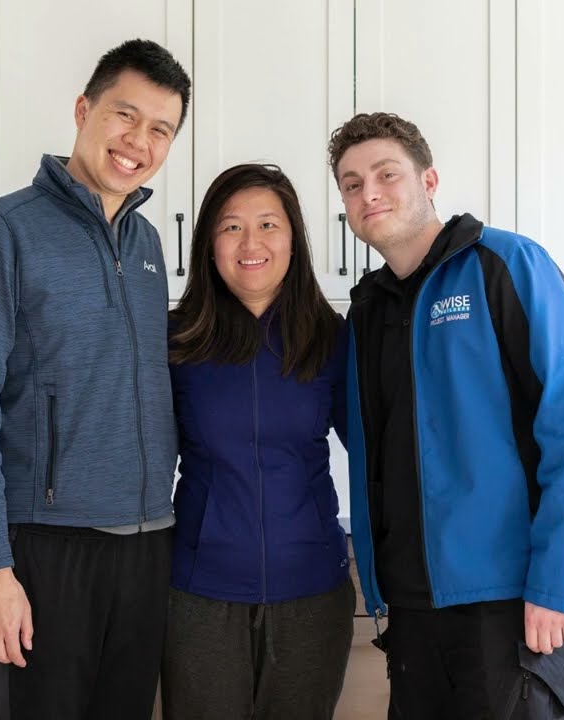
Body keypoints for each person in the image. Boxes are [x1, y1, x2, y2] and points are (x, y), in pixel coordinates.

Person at [0, 39, 191, 720]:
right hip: (45, 550)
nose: (138, 141)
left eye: (160, 129)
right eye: (124, 116)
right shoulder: (1, 231)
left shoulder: (147, 245)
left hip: (144, 550)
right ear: (84, 110)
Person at [327, 112, 564, 719]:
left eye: (385, 173)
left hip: (508, 601)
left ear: (429, 180)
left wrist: (555, 585)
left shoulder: (506, 264)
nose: (368, 193)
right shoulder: (367, 313)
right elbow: (370, 442)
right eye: (351, 184)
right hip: (409, 602)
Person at [162, 163, 354, 720]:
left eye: (269, 224)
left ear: (294, 239)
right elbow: (141, 463)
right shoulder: (174, 342)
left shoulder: (333, 339)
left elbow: (378, 457)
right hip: (199, 597)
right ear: (208, 244)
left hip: (311, 593)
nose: (251, 243)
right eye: (231, 227)